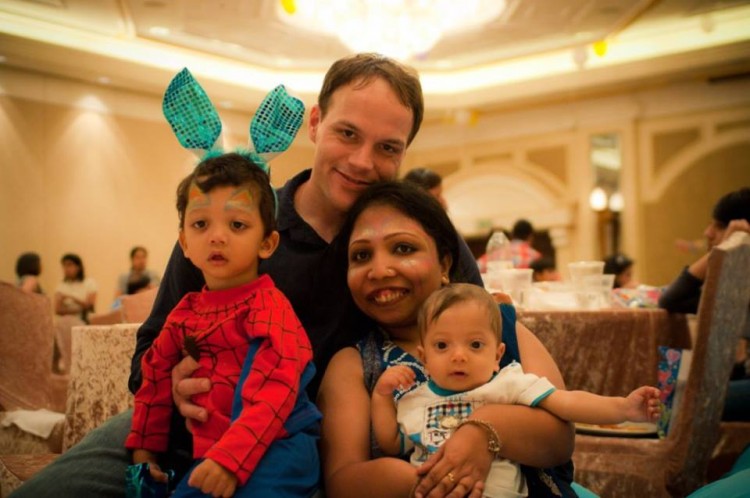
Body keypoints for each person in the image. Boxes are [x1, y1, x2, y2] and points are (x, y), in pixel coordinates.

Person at [7, 53, 538, 498]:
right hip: (196, 429)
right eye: (346, 133)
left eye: (387, 147)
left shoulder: (403, 233)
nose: (361, 160)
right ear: (314, 123)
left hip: (324, 445)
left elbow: (485, 333)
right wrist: (175, 383)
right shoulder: (236, 220)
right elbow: (152, 345)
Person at [318, 181, 577, 498]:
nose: (380, 270)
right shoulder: (353, 365)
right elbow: (341, 482)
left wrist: (484, 431)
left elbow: (560, 440)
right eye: (361, 255)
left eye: (403, 248)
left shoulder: (502, 329)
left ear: (445, 264)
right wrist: (420, 481)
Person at [126, 153, 319, 497]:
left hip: (281, 445)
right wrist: (145, 456)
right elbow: (153, 377)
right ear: (184, 242)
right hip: (213, 453)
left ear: (267, 243)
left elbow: (278, 388)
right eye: (201, 225)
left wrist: (230, 460)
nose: (217, 237)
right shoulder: (184, 314)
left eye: (237, 225)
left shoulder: (270, 308)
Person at [371, 283, 661, 497]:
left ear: (498, 356)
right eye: (442, 346)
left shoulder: (507, 385)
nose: (458, 356)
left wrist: (623, 408)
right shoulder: (417, 398)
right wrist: (382, 397)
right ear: (424, 357)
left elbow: (567, 402)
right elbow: (392, 443)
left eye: (475, 345)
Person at [659, 187, 750, 422]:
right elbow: (672, 299)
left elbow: (672, 298)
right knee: (669, 396)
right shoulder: (739, 284)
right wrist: (720, 252)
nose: (707, 232)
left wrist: (727, 248)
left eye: (719, 226)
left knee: (676, 403)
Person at [54, 253, 97, 323]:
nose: (66, 269)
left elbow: (89, 305)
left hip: (84, 321)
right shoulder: (61, 286)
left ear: (78, 267)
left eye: (69, 265)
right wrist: (80, 308)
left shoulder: (90, 283)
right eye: (64, 265)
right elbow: (58, 310)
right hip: (65, 321)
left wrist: (71, 298)